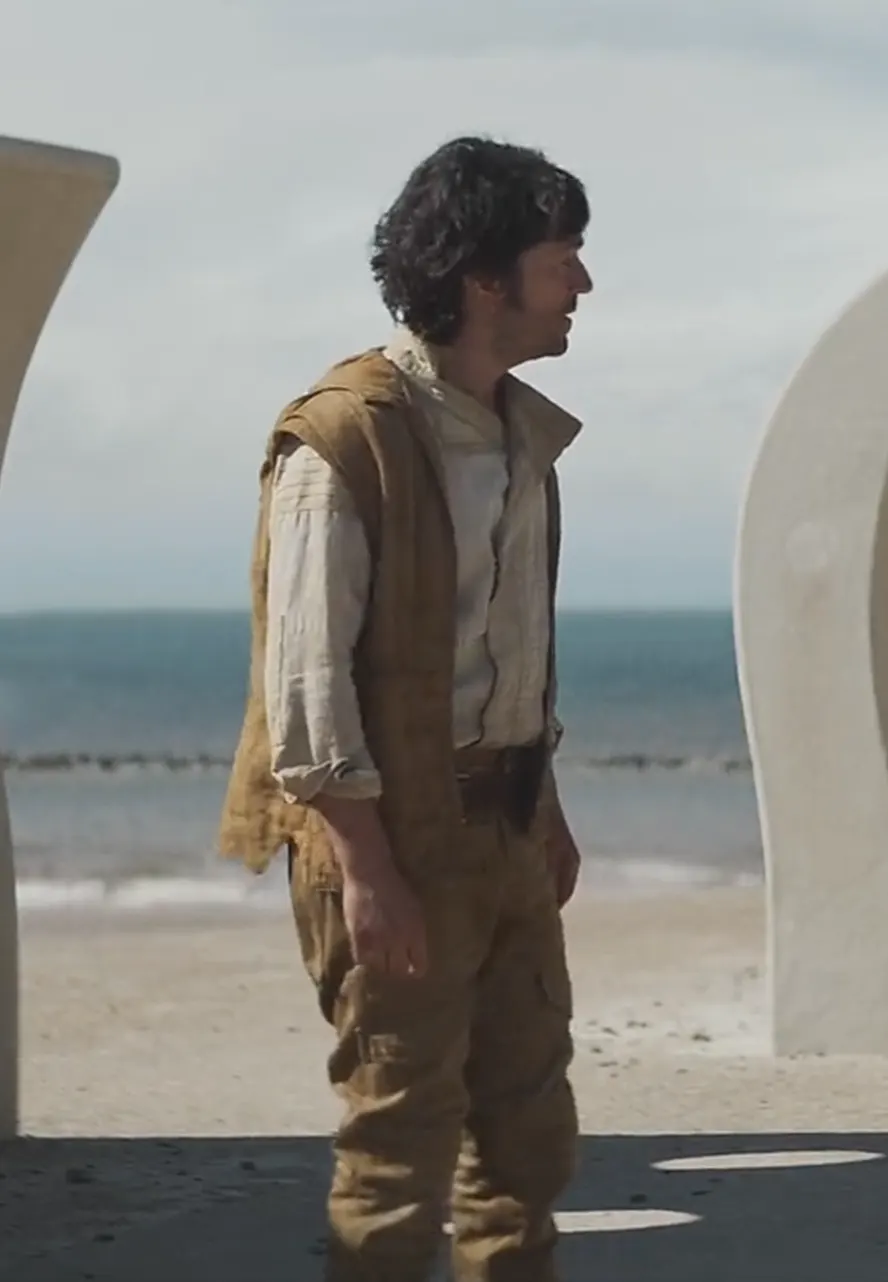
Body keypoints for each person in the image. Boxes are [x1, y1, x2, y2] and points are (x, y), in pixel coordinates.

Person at [219, 134, 593, 1282]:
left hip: (507, 824)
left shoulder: (524, 437)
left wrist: (546, 808)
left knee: (527, 1144)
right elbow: (306, 684)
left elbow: (509, 651)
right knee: (398, 1157)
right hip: (394, 842)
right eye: (562, 258)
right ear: (485, 280)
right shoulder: (345, 439)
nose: (582, 282)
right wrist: (369, 869)